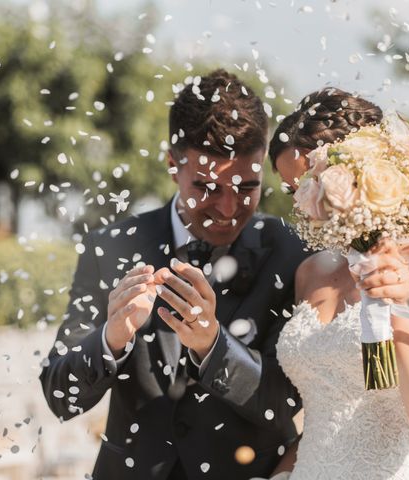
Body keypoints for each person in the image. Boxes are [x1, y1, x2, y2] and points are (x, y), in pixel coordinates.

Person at [40, 69, 309, 480]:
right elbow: (61, 397)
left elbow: (288, 402)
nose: (226, 208)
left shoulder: (292, 252)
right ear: (171, 163)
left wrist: (213, 345)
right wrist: (110, 340)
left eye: (246, 187)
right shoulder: (109, 247)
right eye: (206, 187)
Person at [267, 88, 409, 479]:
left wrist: (395, 311)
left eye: (309, 183)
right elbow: (330, 417)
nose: (304, 203)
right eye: (294, 191)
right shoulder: (312, 272)